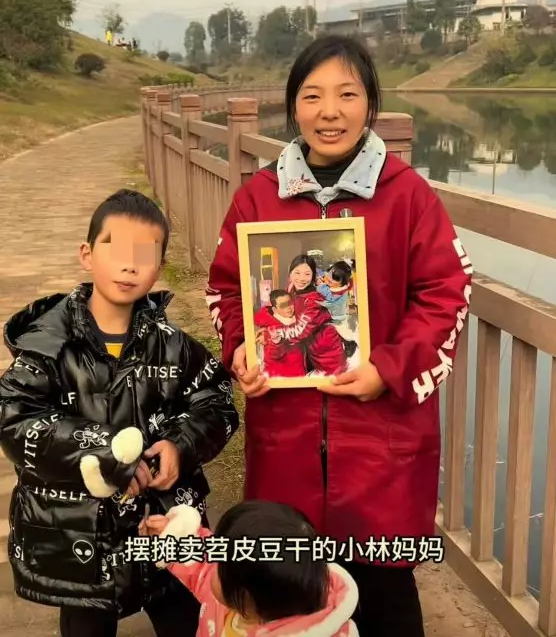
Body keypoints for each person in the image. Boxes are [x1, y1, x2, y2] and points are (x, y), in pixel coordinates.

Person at [204, 34, 473, 636]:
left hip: (381, 439)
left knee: (387, 598)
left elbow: (446, 292)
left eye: (347, 95)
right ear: (292, 107)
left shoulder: (408, 195)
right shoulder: (258, 197)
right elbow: (225, 290)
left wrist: (389, 369)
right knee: (288, 599)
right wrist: (243, 348)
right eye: (313, 96)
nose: (330, 112)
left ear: (370, 103)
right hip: (287, 437)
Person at [0, 189, 239, 637]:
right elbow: (15, 417)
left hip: (166, 529)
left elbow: (215, 402)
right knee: (87, 622)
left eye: (144, 255)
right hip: (80, 539)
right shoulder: (48, 347)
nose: (129, 266)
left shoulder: (174, 346)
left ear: (159, 267)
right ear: (87, 254)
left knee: (187, 618)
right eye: (116, 249)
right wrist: (102, 450)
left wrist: (181, 445)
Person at [139, 500, 360, 636]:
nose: (213, 562)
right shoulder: (255, 585)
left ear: (245, 596)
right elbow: (202, 565)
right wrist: (173, 536)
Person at [253, 289, 307, 378]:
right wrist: (276, 342)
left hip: (298, 373)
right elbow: (273, 355)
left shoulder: (297, 320)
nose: (288, 307)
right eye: (283, 305)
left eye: (290, 303)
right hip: (280, 377)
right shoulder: (271, 328)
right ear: (275, 309)